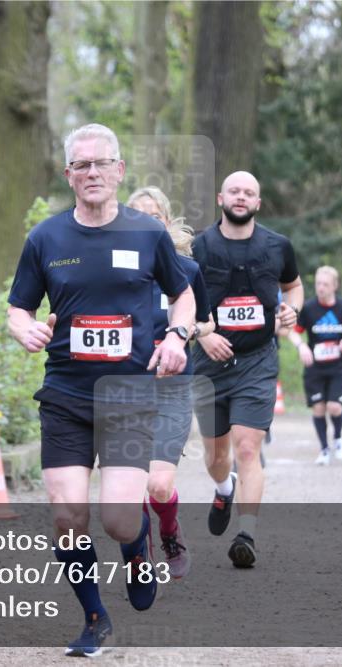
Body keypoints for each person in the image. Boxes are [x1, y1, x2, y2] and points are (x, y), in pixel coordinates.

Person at [7, 124, 197, 656]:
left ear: (119, 171)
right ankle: (94, 618)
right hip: (65, 395)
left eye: (101, 163)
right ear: (68, 174)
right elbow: (18, 307)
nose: (92, 172)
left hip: (128, 397)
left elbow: (184, 296)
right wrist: (24, 328)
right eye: (81, 165)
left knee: (118, 519)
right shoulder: (45, 239)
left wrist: (178, 336)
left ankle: (137, 549)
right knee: (67, 516)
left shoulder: (147, 234)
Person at [190, 171, 303, 568]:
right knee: (216, 455)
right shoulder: (198, 248)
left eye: (249, 192)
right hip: (209, 365)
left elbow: (293, 286)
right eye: (234, 191)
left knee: (248, 447)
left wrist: (293, 310)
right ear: (221, 198)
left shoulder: (277, 245)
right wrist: (202, 335)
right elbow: (179, 299)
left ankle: (247, 534)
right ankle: (224, 488)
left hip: (258, 361)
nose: (241, 197)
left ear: (258, 203)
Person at [127, 186, 214, 580]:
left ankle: (169, 531)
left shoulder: (186, 270)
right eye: (137, 217)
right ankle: (139, 551)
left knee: (159, 485)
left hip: (173, 389)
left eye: (154, 217)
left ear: (166, 222)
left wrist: (186, 331)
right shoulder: (115, 274)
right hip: (126, 388)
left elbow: (208, 322)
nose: (146, 224)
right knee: (131, 484)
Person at [286, 266, 342, 465]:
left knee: (334, 407)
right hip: (315, 368)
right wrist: (301, 346)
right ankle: (324, 450)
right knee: (319, 409)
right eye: (318, 284)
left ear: (335, 286)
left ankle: (338, 438)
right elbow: (292, 332)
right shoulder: (309, 308)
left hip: (338, 367)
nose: (321, 288)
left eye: (325, 284)